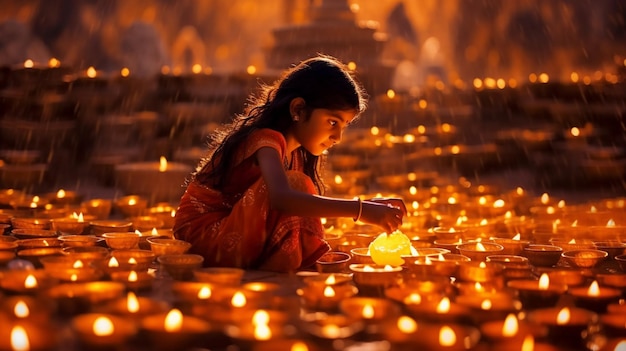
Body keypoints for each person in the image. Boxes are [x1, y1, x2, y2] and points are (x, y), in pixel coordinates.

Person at [173, 55, 407, 273]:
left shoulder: (295, 154)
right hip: (202, 237)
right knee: (296, 185)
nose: (338, 138)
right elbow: (282, 198)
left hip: (234, 230)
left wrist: (371, 205)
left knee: (299, 190)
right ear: (298, 109)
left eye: (344, 126)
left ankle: (284, 269)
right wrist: (361, 209)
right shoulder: (265, 140)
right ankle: (284, 272)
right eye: (332, 122)